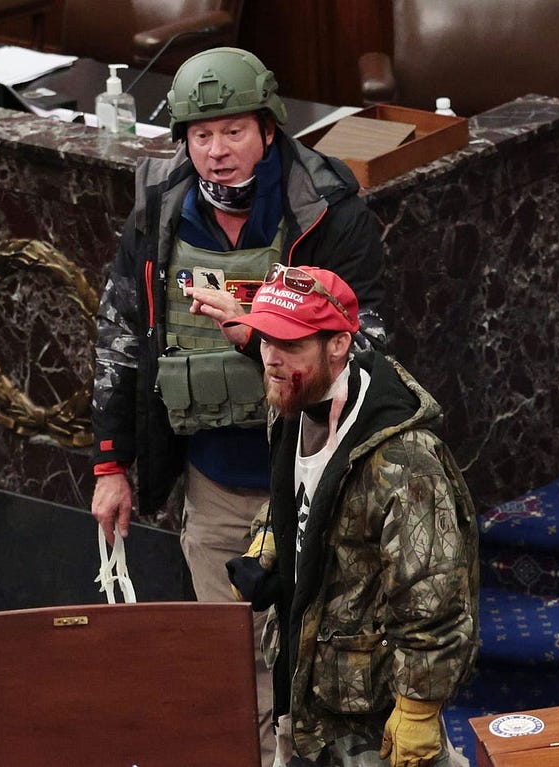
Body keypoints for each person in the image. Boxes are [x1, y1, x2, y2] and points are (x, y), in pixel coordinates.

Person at [90, 47, 386, 765]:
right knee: (237, 661)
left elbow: (365, 351)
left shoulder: (328, 210)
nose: (216, 152)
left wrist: (258, 335)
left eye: (233, 132)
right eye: (200, 135)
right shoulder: (161, 205)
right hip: (217, 482)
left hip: (315, 481)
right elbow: (122, 337)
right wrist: (111, 462)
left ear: (268, 127)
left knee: (324, 656)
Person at [223, 265, 479, 767]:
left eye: (290, 344)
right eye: (266, 337)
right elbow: (294, 495)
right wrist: (269, 543)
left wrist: (419, 708)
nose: (270, 358)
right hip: (303, 688)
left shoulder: (404, 461)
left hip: (371, 716)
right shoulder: (292, 399)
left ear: (338, 345)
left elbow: (436, 594)